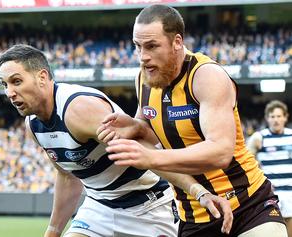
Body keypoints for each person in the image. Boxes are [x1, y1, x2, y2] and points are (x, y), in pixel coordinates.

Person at [0, 44, 233, 237]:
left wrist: (197, 191)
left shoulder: (78, 109)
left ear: (42, 77)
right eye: (4, 85)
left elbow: (142, 150)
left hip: (148, 208)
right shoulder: (33, 125)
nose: (9, 92)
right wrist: (53, 230)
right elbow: (67, 176)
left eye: (16, 81)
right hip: (98, 207)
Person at [96, 4, 288, 237]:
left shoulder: (206, 76)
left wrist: (153, 156)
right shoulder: (144, 79)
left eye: (152, 46)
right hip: (193, 215)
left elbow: (220, 152)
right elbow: (153, 132)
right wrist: (134, 127)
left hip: (248, 206)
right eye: (137, 46)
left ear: (177, 42)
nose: (143, 57)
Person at [247, 100, 292, 237]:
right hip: (270, 193)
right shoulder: (259, 137)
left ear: (285, 117)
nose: (276, 120)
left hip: (290, 191)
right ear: (267, 118)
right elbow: (247, 163)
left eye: (279, 116)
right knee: (272, 229)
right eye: (272, 116)